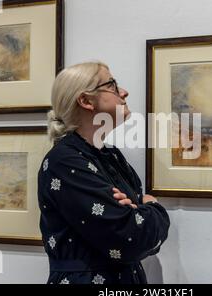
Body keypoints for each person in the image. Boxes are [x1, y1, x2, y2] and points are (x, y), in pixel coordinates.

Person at [37, 61, 170, 284]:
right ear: (86, 101)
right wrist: (153, 206)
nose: (124, 92)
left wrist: (140, 212)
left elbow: (141, 240)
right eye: (113, 85)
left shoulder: (111, 156)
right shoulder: (65, 161)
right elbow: (130, 238)